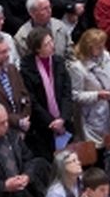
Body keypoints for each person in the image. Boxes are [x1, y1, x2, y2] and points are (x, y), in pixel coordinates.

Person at [20, 27, 74, 159]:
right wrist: (51, 122)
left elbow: (67, 92)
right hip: (42, 125)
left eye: (51, 41)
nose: (52, 46)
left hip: (63, 119)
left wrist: (62, 118)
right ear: (37, 49)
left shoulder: (58, 61)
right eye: (46, 44)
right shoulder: (26, 67)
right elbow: (32, 99)